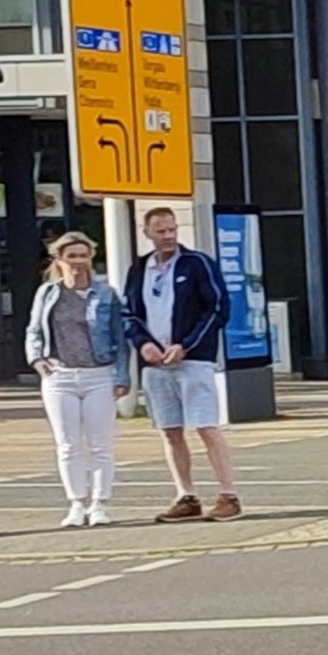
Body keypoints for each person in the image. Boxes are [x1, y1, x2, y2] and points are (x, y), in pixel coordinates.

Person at [122, 207, 241, 523]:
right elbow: (130, 314)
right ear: (147, 232)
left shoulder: (197, 263)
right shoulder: (138, 269)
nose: (168, 236)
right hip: (155, 364)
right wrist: (143, 343)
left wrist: (185, 344)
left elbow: (217, 308)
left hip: (193, 360)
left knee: (205, 426)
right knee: (170, 430)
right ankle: (185, 494)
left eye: (172, 229)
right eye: (160, 231)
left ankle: (229, 494)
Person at [23, 232, 131, 528]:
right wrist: (36, 359)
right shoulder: (47, 293)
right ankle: (76, 504)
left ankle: (100, 504)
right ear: (59, 260)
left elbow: (120, 339)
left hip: (99, 374)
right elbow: (34, 330)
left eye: (84, 255)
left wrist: (122, 375)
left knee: (100, 444)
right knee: (68, 444)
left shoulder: (105, 294)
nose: (78, 262)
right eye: (72, 256)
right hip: (59, 375)